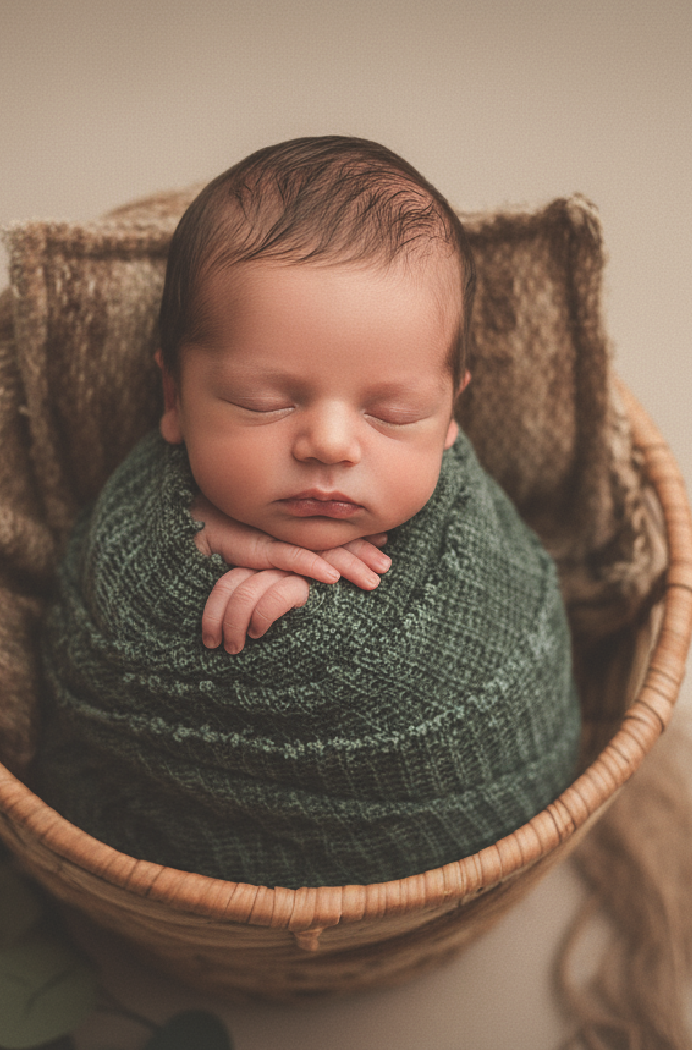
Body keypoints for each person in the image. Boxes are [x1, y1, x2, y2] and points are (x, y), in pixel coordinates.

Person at [37, 137, 581, 888]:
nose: (329, 443)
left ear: (451, 413)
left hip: (450, 826)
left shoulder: (467, 526)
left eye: (394, 413)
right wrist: (190, 549)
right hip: (160, 831)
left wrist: (328, 612)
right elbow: (104, 600)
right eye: (263, 402)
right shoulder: (144, 505)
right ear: (174, 397)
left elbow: (510, 646)